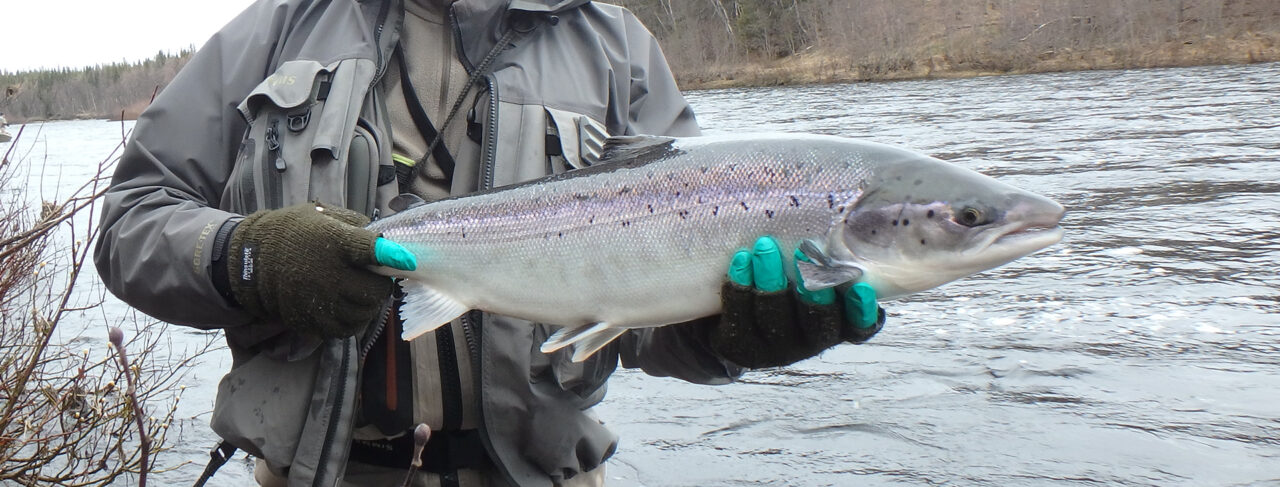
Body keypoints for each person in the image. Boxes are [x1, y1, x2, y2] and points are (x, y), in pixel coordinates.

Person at [93, 0, 886, 486]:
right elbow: (132, 218)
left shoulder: (616, 49)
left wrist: (733, 332)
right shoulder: (273, 31)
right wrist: (247, 257)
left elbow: (653, 321)